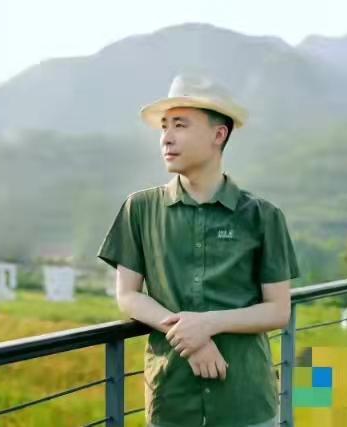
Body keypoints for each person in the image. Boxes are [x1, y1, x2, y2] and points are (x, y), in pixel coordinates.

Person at [97, 74, 300, 427]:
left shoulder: (262, 216)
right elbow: (128, 296)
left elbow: (278, 310)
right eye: (164, 126)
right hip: (171, 400)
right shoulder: (140, 209)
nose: (166, 137)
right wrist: (191, 338)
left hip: (246, 401)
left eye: (180, 125)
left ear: (218, 135)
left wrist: (208, 323)